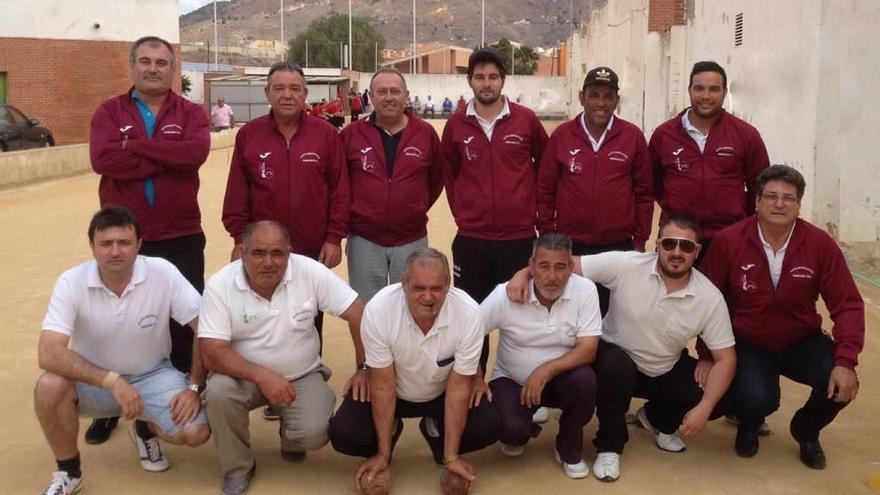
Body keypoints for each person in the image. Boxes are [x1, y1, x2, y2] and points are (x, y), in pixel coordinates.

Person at [507, 215, 735, 482]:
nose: (676, 252)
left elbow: (726, 359)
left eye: (686, 246)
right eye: (669, 243)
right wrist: (523, 273)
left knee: (725, 396)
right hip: (614, 360)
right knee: (616, 367)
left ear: (697, 252)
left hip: (663, 366)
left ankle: (657, 419)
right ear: (657, 245)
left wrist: (705, 407)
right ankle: (609, 446)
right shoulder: (627, 264)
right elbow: (567, 264)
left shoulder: (709, 297)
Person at [35, 206, 210, 495]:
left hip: (153, 374)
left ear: (139, 245)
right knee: (48, 385)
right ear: (92, 247)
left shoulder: (162, 272)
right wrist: (112, 381)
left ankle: (145, 427)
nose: (115, 251)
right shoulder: (71, 282)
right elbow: (48, 352)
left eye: (124, 242)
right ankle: (69, 473)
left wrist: (193, 386)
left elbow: (205, 326)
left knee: (195, 433)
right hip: (95, 383)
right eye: (106, 243)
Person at [698, 165, 864, 469]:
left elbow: (847, 304)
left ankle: (806, 430)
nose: (779, 204)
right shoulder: (729, 240)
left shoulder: (819, 244)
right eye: (771, 196)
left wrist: (846, 361)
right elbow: (709, 301)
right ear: (757, 202)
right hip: (749, 342)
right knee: (757, 398)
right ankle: (750, 422)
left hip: (800, 339)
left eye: (788, 198)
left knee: (840, 384)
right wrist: (707, 354)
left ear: (799, 205)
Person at [88, 35, 210, 444]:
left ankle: (174, 397)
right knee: (114, 321)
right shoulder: (109, 111)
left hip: (182, 235)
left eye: (161, 61)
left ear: (173, 68)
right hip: (125, 239)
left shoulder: (191, 112)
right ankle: (108, 404)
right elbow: (103, 159)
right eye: (145, 60)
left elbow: (193, 155)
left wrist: (137, 147)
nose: (153, 67)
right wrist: (164, 153)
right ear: (132, 66)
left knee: (183, 324)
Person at [199, 221, 367, 495]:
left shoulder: (309, 271)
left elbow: (357, 312)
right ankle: (238, 467)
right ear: (242, 252)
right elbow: (212, 352)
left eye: (277, 253)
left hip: (301, 374)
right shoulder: (220, 285)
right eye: (258, 253)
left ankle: (291, 435)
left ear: (290, 252)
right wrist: (262, 376)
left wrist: (364, 367)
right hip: (242, 377)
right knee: (218, 393)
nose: (268, 262)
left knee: (315, 433)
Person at [328, 249, 500, 493]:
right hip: (394, 391)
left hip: (441, 392)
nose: (428, 297)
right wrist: (383, 456)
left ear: (449, 285)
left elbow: (459, 387)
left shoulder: (469, 314)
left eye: (437, 288)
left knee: (490, 425)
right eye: (419, 288)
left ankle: (436, 432)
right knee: (345, 434)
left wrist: (450, 457)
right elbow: (382, 384)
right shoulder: (379, 310)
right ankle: (390, 430)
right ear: (404, 284)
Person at [440, 47, 549, 372]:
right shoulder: (456, 125)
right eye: (479, 77)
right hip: (472, 240)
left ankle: (526, 389)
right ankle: (472, 386)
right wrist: (465, 216)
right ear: (470, 81)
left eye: (492, 77)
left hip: (518, 239)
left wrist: (533, 215)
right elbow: (449, 175)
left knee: (523, 316)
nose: (486, 83)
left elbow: (545, 167)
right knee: (473, 318)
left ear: (503, 80)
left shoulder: (526, 120)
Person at [477, 233, 601, 479]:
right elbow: (468, 334)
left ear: (571, 268)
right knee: (510, 432)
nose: (552, 276)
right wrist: (476, 376)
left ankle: (567, 448)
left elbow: (588, 349)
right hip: (512, 379)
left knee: (585, 381)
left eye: (560, 267)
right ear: (531, 266)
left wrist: (544, 370)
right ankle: (523, 423)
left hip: (561, 379)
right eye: (544, 266)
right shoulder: (505, 294)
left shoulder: (585, 290)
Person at [537, 66, 653, 316]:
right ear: (582, 97)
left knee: (615, 317)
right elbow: (545, 190)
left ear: (617, 101)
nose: (601, 103)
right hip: (571, 246)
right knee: (571, 314)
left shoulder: (632, 137)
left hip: (618, 248)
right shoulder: (562, 136)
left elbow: (644, 193)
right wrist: (548, 235)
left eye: (608, 96)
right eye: (594, 95)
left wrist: (640, 242)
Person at [342, 67, 443, 303]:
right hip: (364, 240)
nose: (389, 97)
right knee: (366, 309)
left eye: (395, 91)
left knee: (410, 309)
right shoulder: (351, 135)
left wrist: (413, 208)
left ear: (406, 95)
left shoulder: (425, 134)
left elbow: (436, 179)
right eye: (382, 91)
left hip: (411, 239)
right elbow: (341, 183)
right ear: (372, 95)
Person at [649, 61, 769, 259]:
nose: (706, 96)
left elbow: (761, 186)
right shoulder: (664, 135)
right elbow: (653, 184)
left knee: (726, 291)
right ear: (689, 90)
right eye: (699, 89)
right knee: (674, 290)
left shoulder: (745, 134)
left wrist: (738, 215)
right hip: (678, 238)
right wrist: (677, 207)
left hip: (729, 237)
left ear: (725, 92)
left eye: (714, 89)